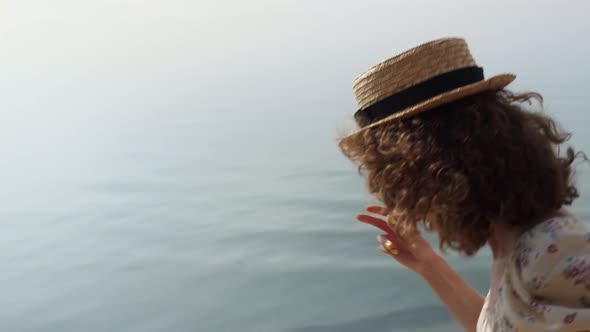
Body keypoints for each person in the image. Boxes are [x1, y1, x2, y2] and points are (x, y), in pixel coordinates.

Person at [337, 37, 590, 332]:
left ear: (437, 172)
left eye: (400, 188)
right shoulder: (518, 243)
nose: (401, 205)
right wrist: (428, 265)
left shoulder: (556, 251)